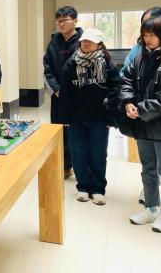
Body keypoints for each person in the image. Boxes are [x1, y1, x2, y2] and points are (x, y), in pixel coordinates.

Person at [117, 16, 161, 233]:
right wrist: (127, 103)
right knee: (148, 169)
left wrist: (140, 109)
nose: (147, 39)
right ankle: (150, 207)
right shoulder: (139, 60)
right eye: (144, 35)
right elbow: (126, 83)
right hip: (142, 125)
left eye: (152, 35)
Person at [59, 29, 120, 205]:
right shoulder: (71, 64)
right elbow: (64, 93)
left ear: (99, 44)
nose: (86, 43)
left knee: (98, 154)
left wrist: (111, 117)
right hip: (75, 119)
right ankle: (83, 187)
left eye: (91, 41)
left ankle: (98, 189)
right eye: (84, 40)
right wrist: (65, 118)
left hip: (99, 119)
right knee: (78, 154)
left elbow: (116, 90)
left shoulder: (107, 64)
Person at [44, 6, 83, 180]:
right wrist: (57, 90)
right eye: (59, 21)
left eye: (65, 20)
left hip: (79, 98)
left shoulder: (84, 41)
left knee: (78, 132)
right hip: (59, 98)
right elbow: (47, 70)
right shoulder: (53, 44)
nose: (61, 24)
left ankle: (82, 168)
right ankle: (65, 166)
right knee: (59, 131)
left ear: (75, 21)